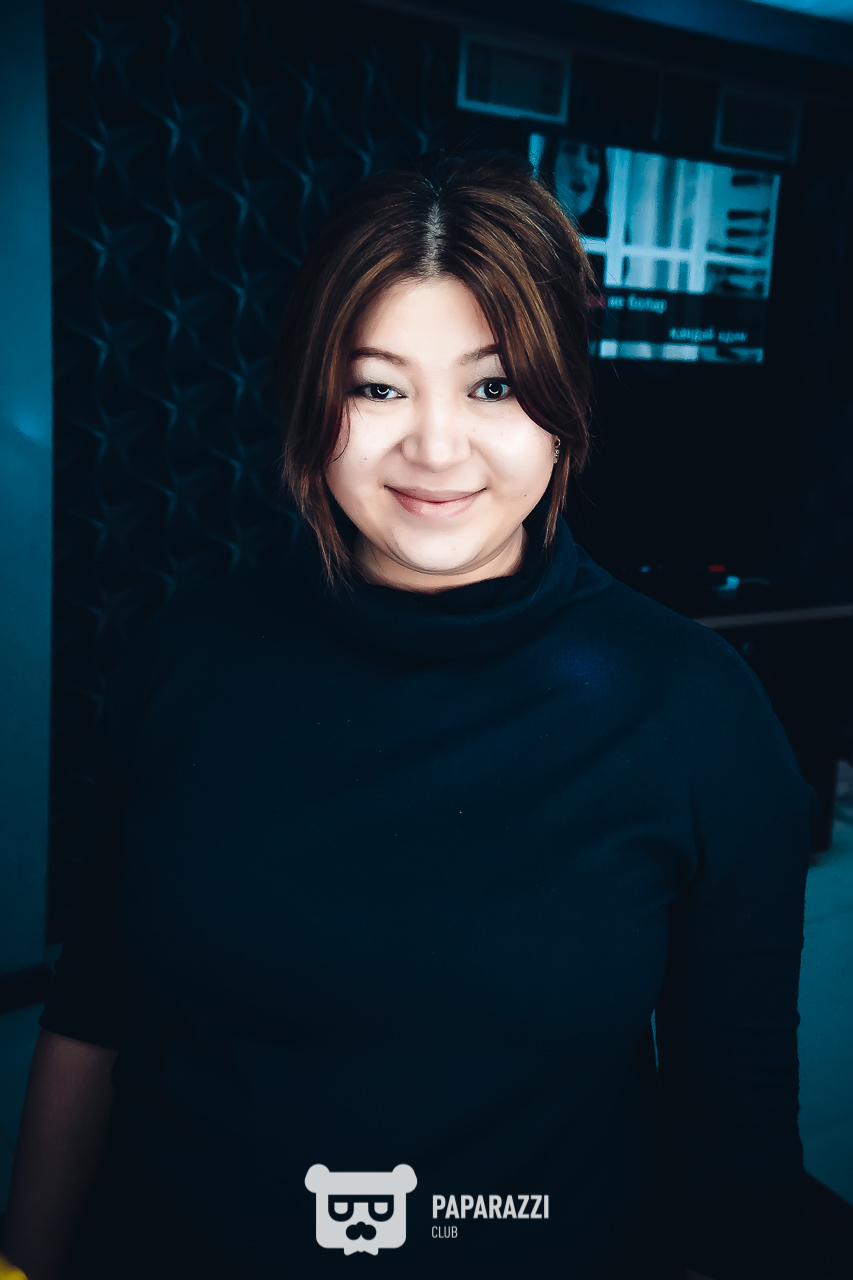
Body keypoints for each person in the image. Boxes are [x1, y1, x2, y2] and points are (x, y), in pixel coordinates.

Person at [1, 152, 814, 1280]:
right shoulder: (183, 657)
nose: (434, 448)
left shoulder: (695, 711)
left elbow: (737, 1144)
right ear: (310, 398)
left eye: (493, 386)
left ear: (564, 404)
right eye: (378, 387)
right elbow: (92, 1015)